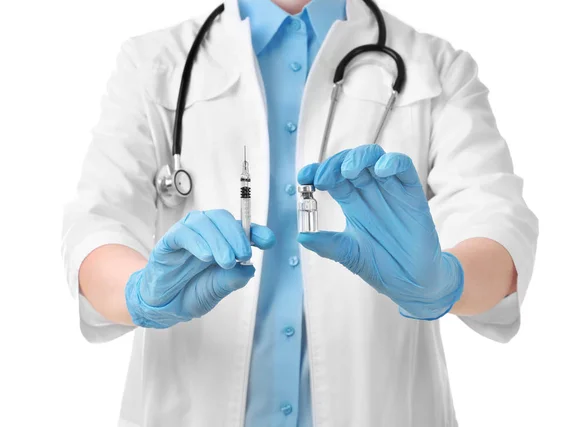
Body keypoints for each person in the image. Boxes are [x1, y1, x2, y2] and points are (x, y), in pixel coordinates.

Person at [61, 0, 539, 425]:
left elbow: (495, 220)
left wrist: (445, 281)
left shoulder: (436, 68)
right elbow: (97, 224)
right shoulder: (153, 64)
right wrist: (140, 293)